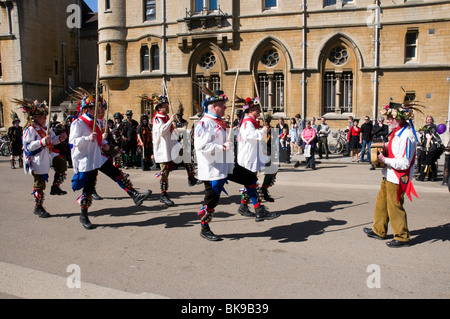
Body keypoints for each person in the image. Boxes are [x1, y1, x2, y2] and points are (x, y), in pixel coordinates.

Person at [194, 90, 280, 241]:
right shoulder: (204, 123)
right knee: (211, 199)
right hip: (213, 168)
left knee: (249, 178)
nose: (225, 108)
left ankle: (259, 209)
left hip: (227, 164)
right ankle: (205, 228)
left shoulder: (217, 122)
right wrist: (222, 147)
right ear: (214, 106)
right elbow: (200, 146)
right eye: (223, 105)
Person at [69, 93, 152, 229]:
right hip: (86, 159)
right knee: (88, 188)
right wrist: (87, 138)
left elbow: (97, 141)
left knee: (115, 172)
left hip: (97, 156)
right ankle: (83, 214)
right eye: (98, 107)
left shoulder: (96, 121)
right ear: (88, 108)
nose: (101, 110)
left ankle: (134, 194)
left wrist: (104, 143)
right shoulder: (79, 123)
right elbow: (72, 142)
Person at [363, 101, 422, 247]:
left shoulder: (407, 136)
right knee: (381, 203)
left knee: (395, 206)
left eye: (390, 118)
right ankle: (379, 230)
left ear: (399, 118)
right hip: (388, 174)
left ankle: (402, 236)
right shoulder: (397, 133)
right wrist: (383, 147)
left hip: (397, 177)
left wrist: (384, 159)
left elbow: (405, 163)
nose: (388, 120)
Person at [18, 99, 63, 218]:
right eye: (42, 116)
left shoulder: (46, 128)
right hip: (36, 159)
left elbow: (52, 141)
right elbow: (28, 147)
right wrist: (42, 141)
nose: (45, 118)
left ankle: (55, 187)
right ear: (36, 117)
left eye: (45, 116)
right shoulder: (30, 129)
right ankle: (38, 207)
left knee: (61, 163)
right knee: (39, 183)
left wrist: (60, 138)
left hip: (47, 155)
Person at [236, 97, 271, 217]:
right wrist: (262, 131)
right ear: (250, 110)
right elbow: (249, 136)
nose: (259, 112)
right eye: (256, 109)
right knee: (251, 182)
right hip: (248, 157)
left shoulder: (252, 121)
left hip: (252, 155)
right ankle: (258, 208)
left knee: (249, 182)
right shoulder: (247, 122)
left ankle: (244, 206)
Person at [416, 116, 444, 182]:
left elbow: (429, 138)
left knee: (427, 163)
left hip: (432, 148)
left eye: (430, 119)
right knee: (432, 163)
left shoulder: (430, 128)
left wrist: (427, 148)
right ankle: (432, 177)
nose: (429, 121)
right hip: (436, 148)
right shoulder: (427, 127)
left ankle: (422, 177)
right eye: (428, 119)